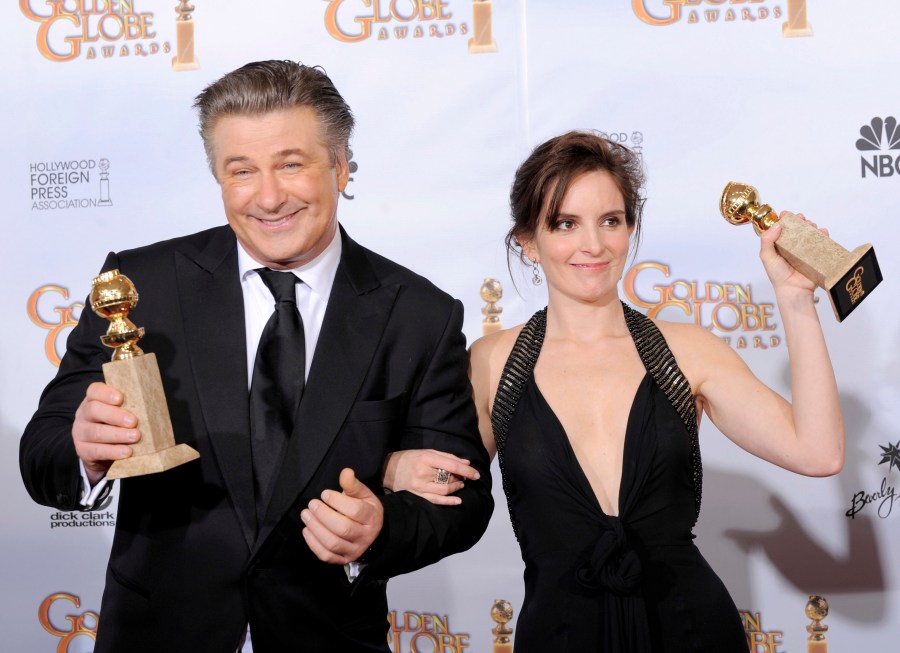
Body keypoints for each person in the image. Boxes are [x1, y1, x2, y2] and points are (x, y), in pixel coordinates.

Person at [19, 60, 493, 653]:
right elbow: (42, 453)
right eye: (241, 171)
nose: (268, 197)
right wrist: (83, 451)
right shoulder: (138, 287)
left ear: (341, 167)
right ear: (218, 177)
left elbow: (465, 502)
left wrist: (382, 528)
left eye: (291, 164)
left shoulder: (419, 314)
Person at [384, 131, 844, 651]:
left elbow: (818, 451)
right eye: (565, 223)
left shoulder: (687, 351)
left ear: (630, 228)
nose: (594, 245)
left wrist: (795, 300)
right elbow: (448, 482)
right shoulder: (493, 363)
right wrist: (391, 467)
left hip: (690, 630)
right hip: (560, 635)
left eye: (611, 220)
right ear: (528, 242)